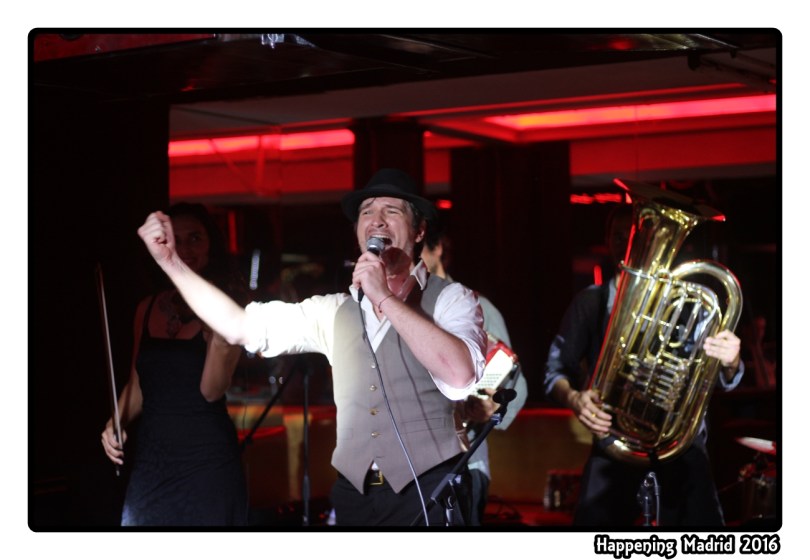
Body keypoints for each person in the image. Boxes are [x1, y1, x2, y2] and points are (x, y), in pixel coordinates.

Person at [136, 168, 487, 527]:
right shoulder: (333, 311)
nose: (376, 220)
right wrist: (171, 263)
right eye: (367, 211)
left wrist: (384, 298)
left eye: (391, 211)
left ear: (419, 230)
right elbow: (237, 325)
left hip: (428, 491)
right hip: (355, 495)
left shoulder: (451, 299)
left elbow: (461, 375)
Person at [543, 203, 744, 527]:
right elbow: (555, 372)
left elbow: (718, 378)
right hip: (614, 443)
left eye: (638, 236)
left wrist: (731, 361)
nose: (628, 243)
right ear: (607, 240)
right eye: (619, 235)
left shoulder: (693, 301)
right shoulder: (590, 302)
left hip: (679, 445)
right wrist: (575, 399)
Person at [100, 202, 249, 526]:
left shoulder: (226, 307)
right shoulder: (147, 307)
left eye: (195, 238)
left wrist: (219, 337)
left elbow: (211, 391)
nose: (185, 248)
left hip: (206, 459)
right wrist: (115, 421)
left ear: (211, 245)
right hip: (153, 457)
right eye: (176, 240)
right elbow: (139, 384)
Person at [421, 224, 528, 525]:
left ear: (437, 248)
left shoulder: (478, 306)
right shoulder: (402, 310)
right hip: (415, 466)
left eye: (417, 250)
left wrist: (491, 407)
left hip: (466, 462)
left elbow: (517, 387)